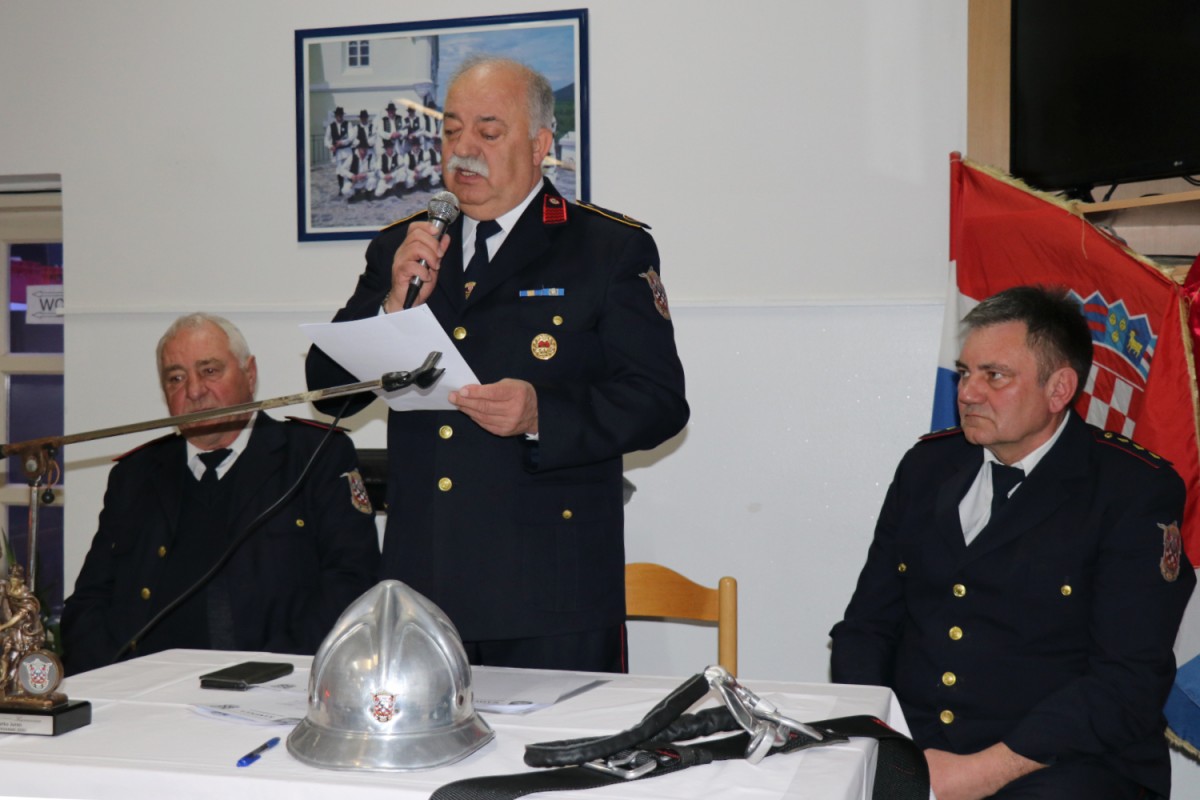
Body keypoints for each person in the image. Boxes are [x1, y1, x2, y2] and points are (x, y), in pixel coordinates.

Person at [305, 55, 689, 673]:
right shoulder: (402, 246)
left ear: (539, 146)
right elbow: (329, 392)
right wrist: (389, 304)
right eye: (452, 130)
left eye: (488, 132)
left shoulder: (607, 247)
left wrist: (542, 414)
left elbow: (659, 402)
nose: (464, 150)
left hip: (551, 592)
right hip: (425, 587)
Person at [829, 285, 1196, 800]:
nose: (968, 393)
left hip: (1067, 764)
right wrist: (884, 742)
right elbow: (867, 628)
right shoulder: (927, 467)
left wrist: (983, 772)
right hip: (918, 750)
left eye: (994, 376)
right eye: (965, 373)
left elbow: (1126, 680)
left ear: (1059, 388)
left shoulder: (1131, 489)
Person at [61, 313, 380, 675]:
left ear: (250, 374)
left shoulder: (314, 455)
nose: (194, 391)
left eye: (209, 371)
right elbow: (89, 602)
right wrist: (115, 680)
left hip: (275, 684)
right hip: (145, 688)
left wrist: (272, 675)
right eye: (176, 378)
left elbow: (352, 584)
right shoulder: (136, 474)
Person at [323, 107, 354, 192]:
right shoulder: (331, 126)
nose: (339, 116)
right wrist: (330, 146)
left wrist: (343, 142)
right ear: (335, 116)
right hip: (338, 152)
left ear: (343, 115)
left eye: (341, 115)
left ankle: (349, 186)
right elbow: (326, 139)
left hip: (347, 151)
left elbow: (351, 137)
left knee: (348, 168)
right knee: (339, 170)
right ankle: (341, 188)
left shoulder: (348, 124)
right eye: (338, 115)